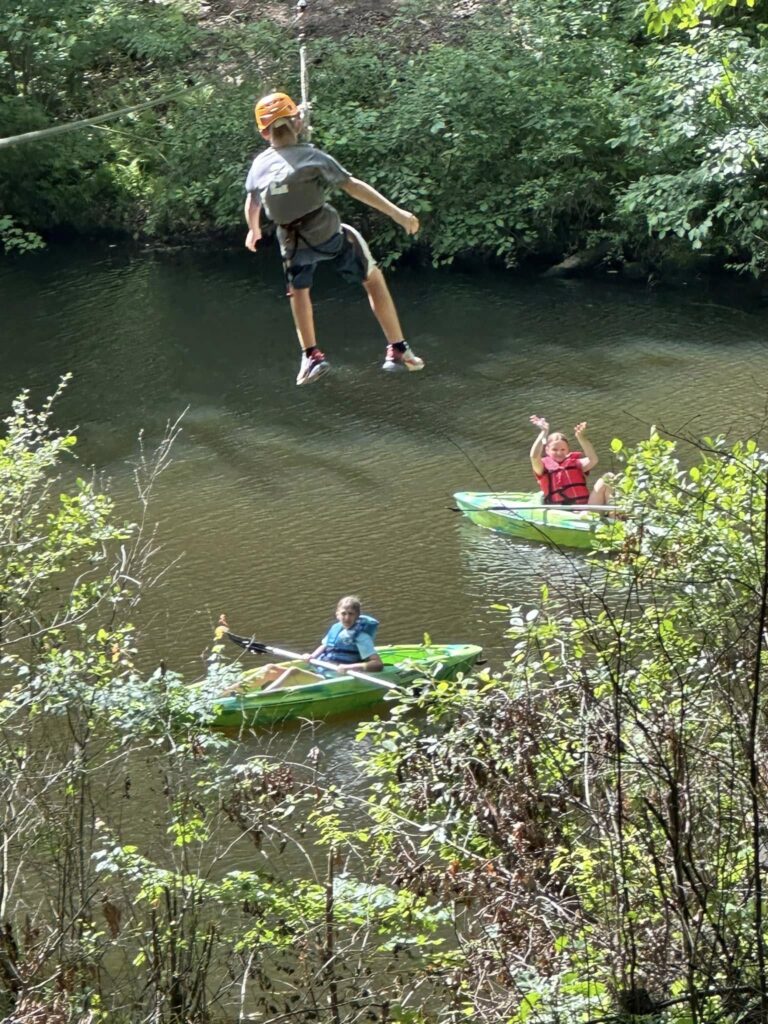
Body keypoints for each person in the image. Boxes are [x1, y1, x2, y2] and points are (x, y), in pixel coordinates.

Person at [243, 91, 425, 385]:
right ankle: (398, 349)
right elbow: (352, 186)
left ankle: (310, 355)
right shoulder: (313, 157)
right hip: (328, 235)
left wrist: (253, 230)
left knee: (298, 291)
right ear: (298, 124)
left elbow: (252, 204)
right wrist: (398, 214)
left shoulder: (258, 166)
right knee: (372, 278)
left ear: (264, 133)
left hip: (292, 244)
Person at [529, 415, 613, 506]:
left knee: (608, 477)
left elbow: (593, 459)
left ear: (568, 450)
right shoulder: (542, 467)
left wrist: (580, 437)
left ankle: (614, 516)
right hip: (561, 513)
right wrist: (544, 432)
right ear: (547, 450)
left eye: (563, 449)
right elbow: (534, 456)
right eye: (554, 450)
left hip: (586, 511)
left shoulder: (575, 464)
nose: (559, 453)